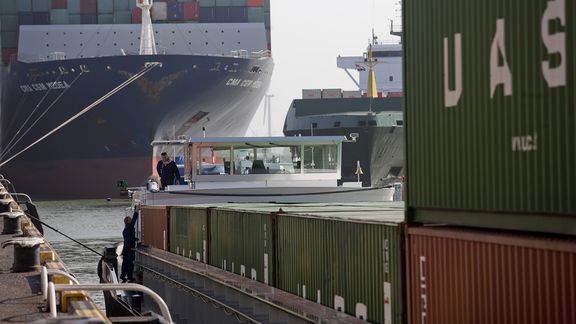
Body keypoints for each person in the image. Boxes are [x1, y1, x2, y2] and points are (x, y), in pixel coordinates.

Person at [120, 208, 139, 282]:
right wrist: (136, 212)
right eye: (130, 219)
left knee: (125, 262)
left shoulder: (126, 228)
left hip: (126, 248)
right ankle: (129, 276)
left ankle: (123, 275)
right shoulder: (129, 227)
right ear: (128, 221)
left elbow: (129, 237)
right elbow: (134, 220)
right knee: (130, 262)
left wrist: (134, 239)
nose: (131, 220)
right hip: (129, 248)